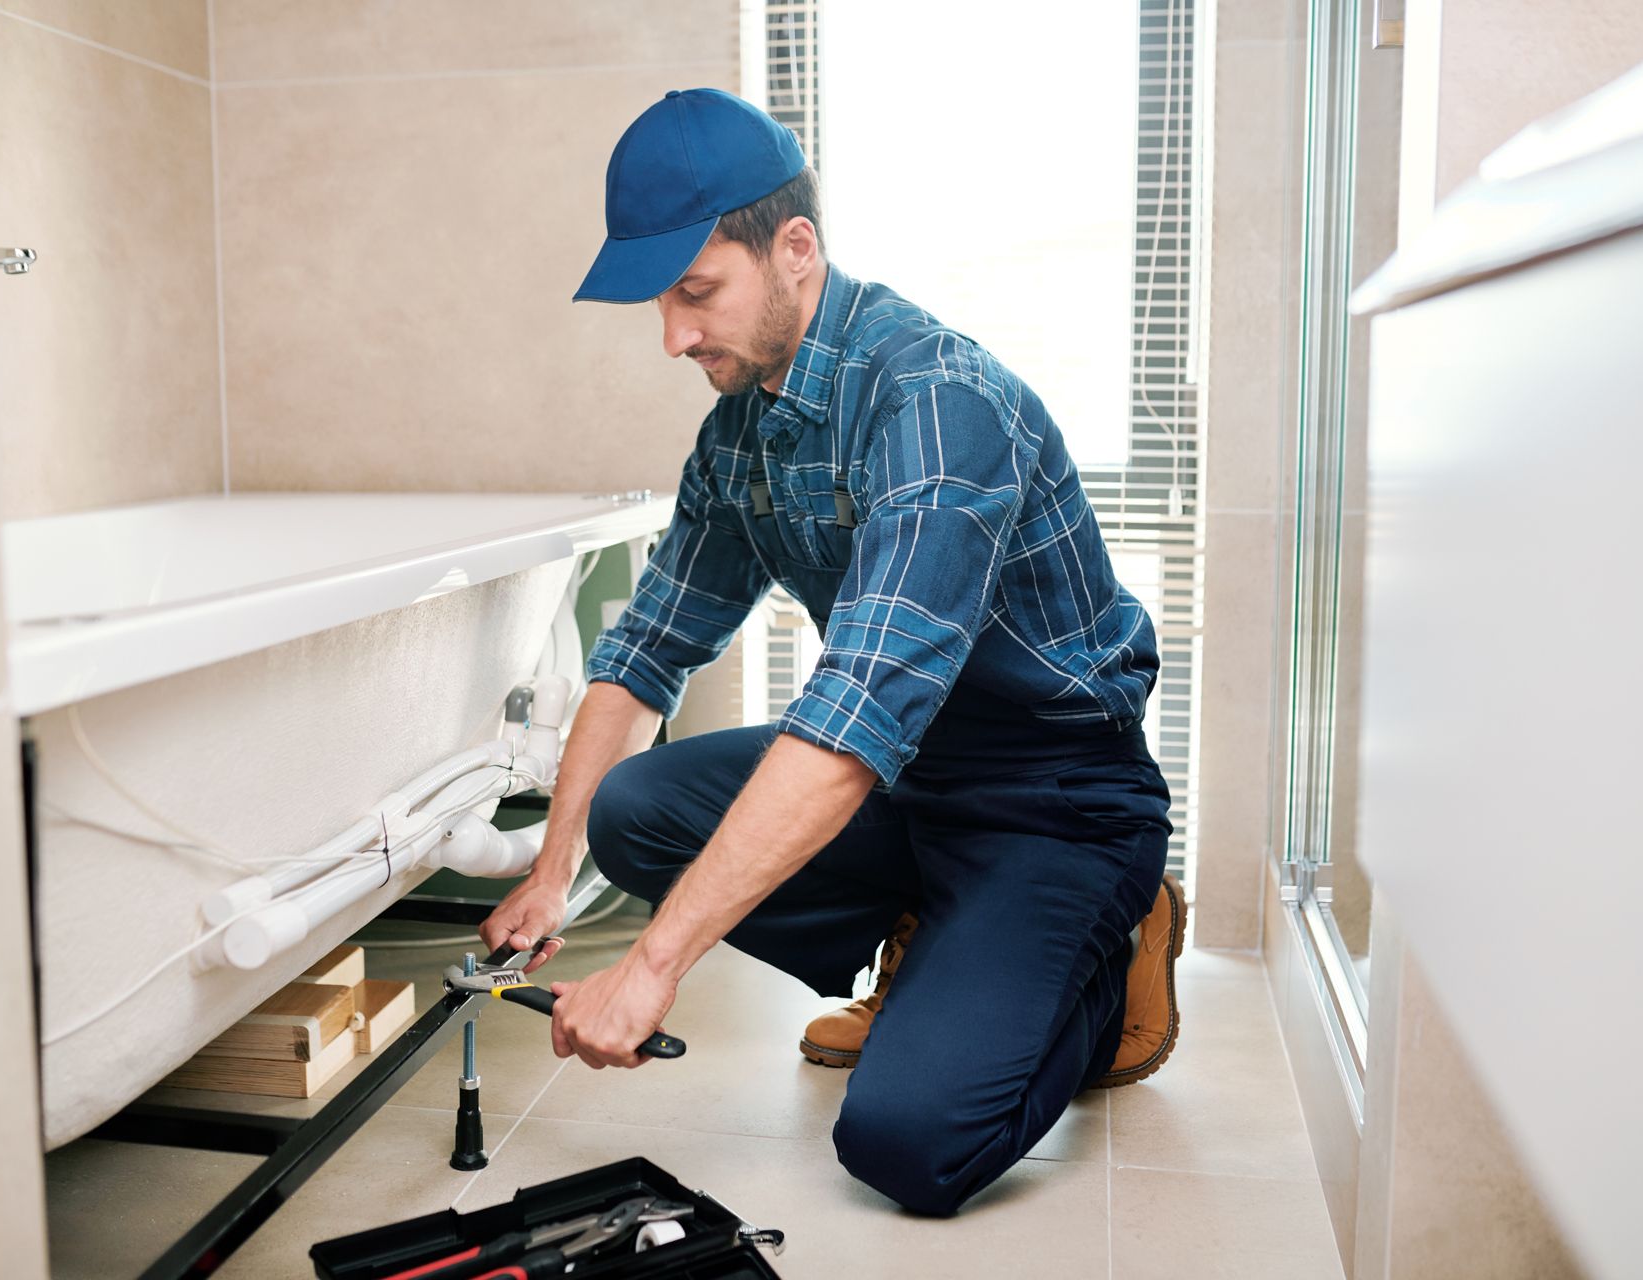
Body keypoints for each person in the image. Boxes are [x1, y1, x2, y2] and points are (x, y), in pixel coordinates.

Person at [480, 87, 1184, 1216]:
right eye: (662, 299)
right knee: (633, 812)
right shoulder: (743, 427)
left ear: (795, 248)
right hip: (913, 780)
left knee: (910, 1144)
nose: (673, 335)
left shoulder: (937, 400)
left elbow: (855, 711)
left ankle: (1117, 937)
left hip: (1049, 794)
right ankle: (930, 934)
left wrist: (652, 964)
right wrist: (555, 868)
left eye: (695, 291)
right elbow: (645, 650)